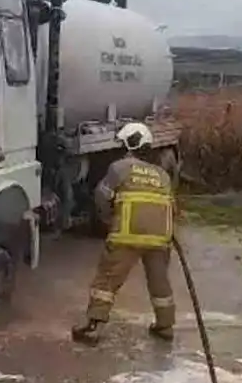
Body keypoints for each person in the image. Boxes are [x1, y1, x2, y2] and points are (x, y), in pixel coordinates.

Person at [71, 122, 177, 346]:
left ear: (130, 143)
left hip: (127, 235)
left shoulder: (120, 167)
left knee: (107, 281)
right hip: (160, 238)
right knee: (160, 282)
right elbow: (170, 207)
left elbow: (101, 196)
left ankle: (93, 327)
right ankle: (165, 326)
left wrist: (109, 219)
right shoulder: (162, 175)